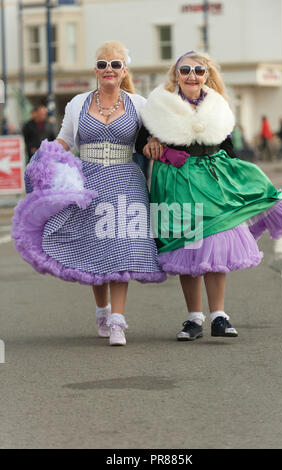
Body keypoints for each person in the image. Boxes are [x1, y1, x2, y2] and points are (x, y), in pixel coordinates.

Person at [136, 50, 282, 341]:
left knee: (216, 241)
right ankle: (193, 318)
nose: (192, 76)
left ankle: (219, 316)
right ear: (176, 74)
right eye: (185, 70)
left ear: (207, 76)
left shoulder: (218, 106)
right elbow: (140, 141)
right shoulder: (158, 105)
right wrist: (149, 142)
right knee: (186, 245)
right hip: (177, 182)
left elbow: (228, 149)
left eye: (199, 71)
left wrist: (239, 181)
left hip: (213, 179)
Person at [12, 41, 166, 347]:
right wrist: (45, 156)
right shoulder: (77, 103)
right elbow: (65, 140)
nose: (108, 69)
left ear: (124, 70)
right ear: (95, 70)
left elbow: (151, 139)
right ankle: (102, 310)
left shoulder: (139, 104)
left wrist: (153, 144)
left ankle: (118, 322)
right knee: (94, 246)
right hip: (89, 179)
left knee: (122, 245)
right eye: (102, 64)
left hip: (125, 179)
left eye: (115, 64)